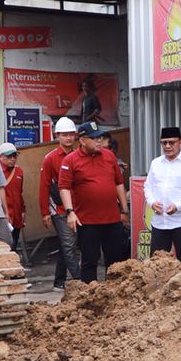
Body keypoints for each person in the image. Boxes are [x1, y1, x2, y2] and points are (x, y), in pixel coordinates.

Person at [58, 121, 128, 283]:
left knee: (115, 262)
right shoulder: (71, 160)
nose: (99, 141)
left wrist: (124, 210)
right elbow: (64, 188)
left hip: (112, 219)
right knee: (89, 261)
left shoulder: (109, 156)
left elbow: (119, 183)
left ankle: (115, 294)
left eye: (100, 138)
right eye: (94, 138)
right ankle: (90, 296)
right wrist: (70, 212)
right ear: (82, 140)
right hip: (87, 220)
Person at [142, 125, 181, 259]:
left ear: (180, 142)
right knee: (157, 262)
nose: (167, 146)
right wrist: (152, 202)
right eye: (164, 143)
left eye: (171, 142)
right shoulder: (156, 163)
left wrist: (178, 206)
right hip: (159, 222)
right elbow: (148, 186)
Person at [39, 117, 83, 288]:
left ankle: (59, 281)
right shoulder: (50, 158)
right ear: (57, 136)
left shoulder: (79, 155)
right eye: (64, 135)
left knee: (68, 246)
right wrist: (45, 212)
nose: (68, 138)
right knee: (68, 245)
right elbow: (44, 186)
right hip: (59, 209)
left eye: (71, 134)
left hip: (79, 208)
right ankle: (80, 282)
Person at [0, 142, 27, 261]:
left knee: (14, 244)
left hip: (17, 214)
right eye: (9, 156)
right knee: (4, 245)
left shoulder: (19, 171)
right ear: (1, 157)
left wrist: (23, 210)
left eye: (14, 156)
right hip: (3, 215)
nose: (13, 159)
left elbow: (20, 192)